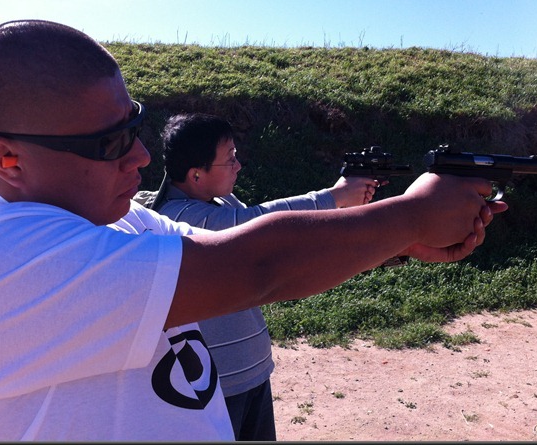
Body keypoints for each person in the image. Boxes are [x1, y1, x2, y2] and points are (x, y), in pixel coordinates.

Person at [0, 19, 507, 441]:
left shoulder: (116, 217)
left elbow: (227, 251)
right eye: (109, 142)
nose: (139, 156)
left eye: (134, 126)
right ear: (9, 158)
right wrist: (410, 216)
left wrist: (395, 241)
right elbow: (254, 266)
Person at [134, 112, 382, 440]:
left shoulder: (220, 202)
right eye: (230, 159)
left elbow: (270, 233)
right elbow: (260, 223)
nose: (238, 166)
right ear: (196, 174)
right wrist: (334, 197)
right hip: (217, 384)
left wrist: (343, 209)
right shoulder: (178, 217)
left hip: (251, 371)